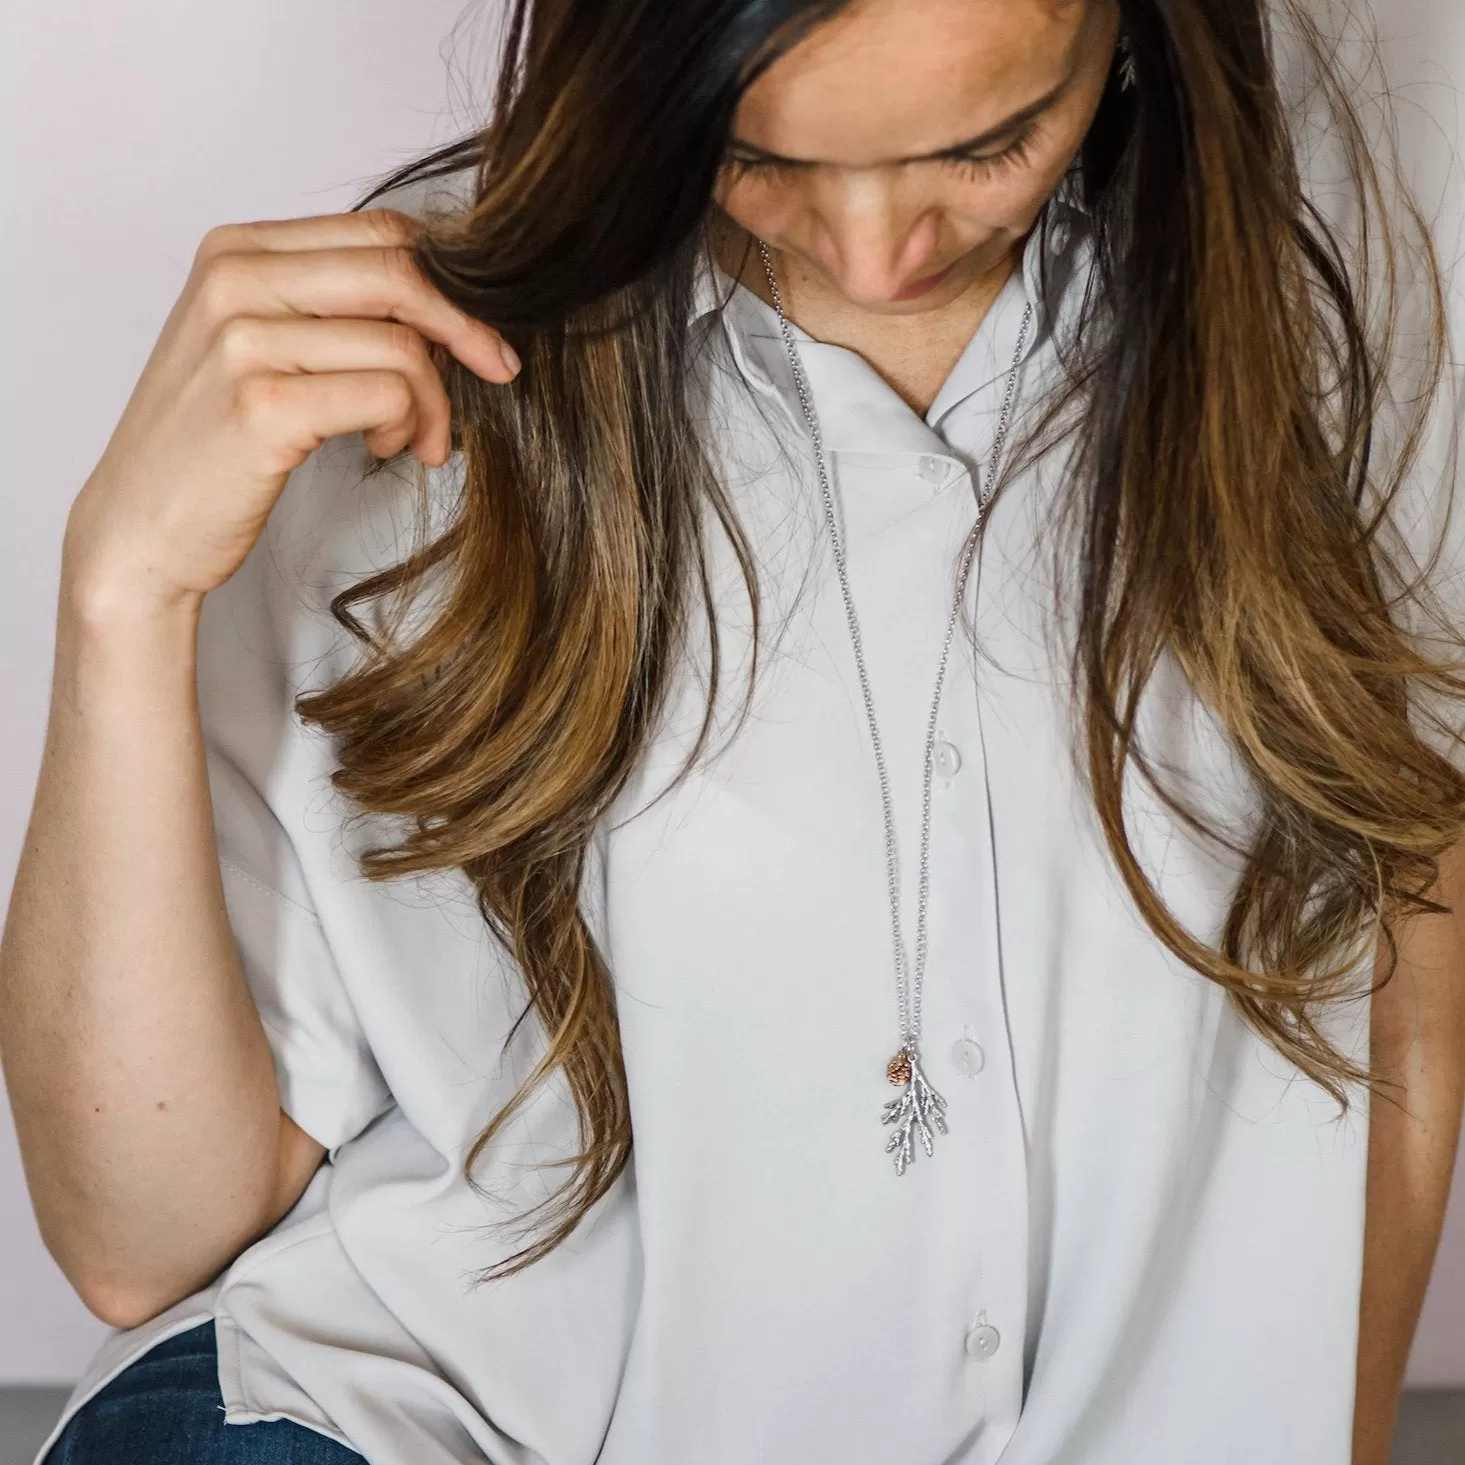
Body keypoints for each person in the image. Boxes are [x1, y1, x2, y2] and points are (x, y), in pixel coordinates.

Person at [3, 0, 1464, 1461]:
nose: (878, 252)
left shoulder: (1345, 298)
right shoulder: (408, 358)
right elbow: (143, 1247)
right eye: (758, 157)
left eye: (988, 142)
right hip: (431, 1419)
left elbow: (1400, 991)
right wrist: (119, 599)